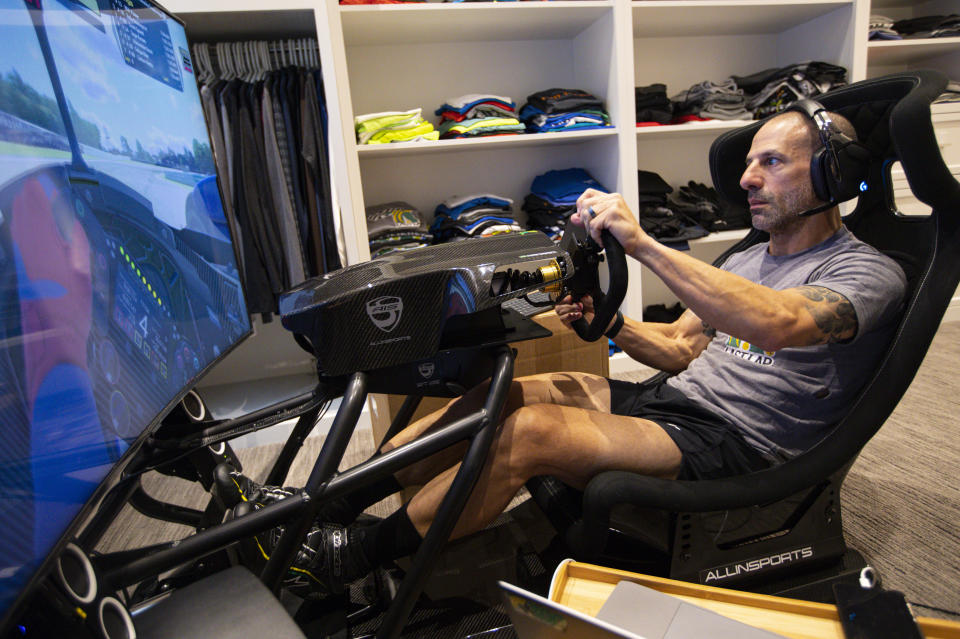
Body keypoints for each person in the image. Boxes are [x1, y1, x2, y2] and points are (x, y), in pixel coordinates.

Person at [220, 107, 907, 598]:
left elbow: (780, 324)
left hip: (743, 441)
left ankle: (350, 557)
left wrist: (642, 243)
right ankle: (330, 505)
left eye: (773, 161)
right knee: (515, 391)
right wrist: (608, 327)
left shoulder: (865, 273)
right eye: (750, 161)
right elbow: (677, 346)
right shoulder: (750, 257)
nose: (749, 177)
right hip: (684, 403)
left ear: (828, 173)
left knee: (531, 435)